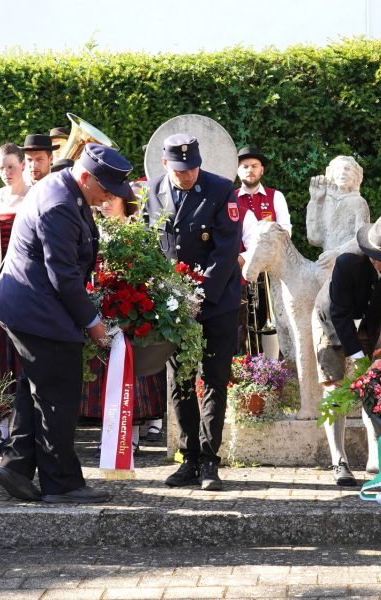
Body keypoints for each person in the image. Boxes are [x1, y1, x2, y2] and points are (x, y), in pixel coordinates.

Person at [0, 143, 133, 504]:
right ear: (85, 177)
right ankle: (62, 484)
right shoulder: (59, 203)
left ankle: (16, 466)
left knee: (38, 384)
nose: (109, 197)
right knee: (59, 392)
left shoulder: (66, 191)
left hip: (31, 304)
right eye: (105, 189)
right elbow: (64, 276)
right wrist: (93, 323)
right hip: (36, 309)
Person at [145, 133, 241, 491]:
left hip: (216, 302)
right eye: (180, 170)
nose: (187, 175)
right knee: (179, 379)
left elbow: (225, 250)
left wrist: (200, 295)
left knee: (214, 378)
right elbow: (152, 245)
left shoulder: (220, 189)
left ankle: (209, 460)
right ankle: (188, 457)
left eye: (192, 168)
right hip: (174, 305)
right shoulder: (153, 190)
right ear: (165, 164)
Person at [314, 213, 381, 486]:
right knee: (335, 386)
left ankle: (377, 457)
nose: (380, 261)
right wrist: (359, 359)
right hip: (332, 320)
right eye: (376, 255)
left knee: (376, 383)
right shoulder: (347, 262)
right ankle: (339, 460)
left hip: (369, 324)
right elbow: (339, 315)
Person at [79, 190, 167, 452]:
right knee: (105, 370)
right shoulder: (92, 229)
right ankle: (111, 431)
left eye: (112, 199)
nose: (105, 204)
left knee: (132, 367)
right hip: (102, 306)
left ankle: (133, 432)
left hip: (131, 308)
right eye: (103, 199)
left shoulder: (137, 229)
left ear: (124, 202)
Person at [0, 143, 30, 455]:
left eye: (11, 166)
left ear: (23, 165)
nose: (6, 172)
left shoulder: (35, 196)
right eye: (1, 167)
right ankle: (0, 426)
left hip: (24, 288)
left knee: (23, 359)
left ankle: (24, 428)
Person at [235, 146, 291, 356]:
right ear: (238, 171)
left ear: (262, 170)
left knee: (275, 319)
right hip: (243, 269)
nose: (250, 170)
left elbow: (286, 231)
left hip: (271, 269)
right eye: (245, 166)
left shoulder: (276, 196)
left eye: (254, 166)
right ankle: (246, 362)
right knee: (243, 321)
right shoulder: (230, 198)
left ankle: (275, 364)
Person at [307, 155, 370, 279]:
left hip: (350, 267)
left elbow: (362, 240)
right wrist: (315, 201)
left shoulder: (359, 202)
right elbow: (315, 238)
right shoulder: (325, 201)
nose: (342, 172)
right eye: (338, 169)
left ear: (356, 176)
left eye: (347, 169)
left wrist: (337, 253)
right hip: (325, 268)